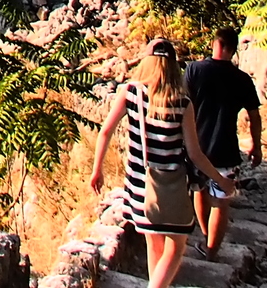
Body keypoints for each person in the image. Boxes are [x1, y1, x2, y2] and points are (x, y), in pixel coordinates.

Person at [88, 38, 225, 288]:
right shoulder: (182, 103)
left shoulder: (130, 92)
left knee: (154, 245)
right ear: (174, 66)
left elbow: (105, 131)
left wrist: (97, 170)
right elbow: (195, 154)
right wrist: (220, 179)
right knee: (175, 247)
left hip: (139, 186)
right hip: (170, 187)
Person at [184, 28, 264, 255]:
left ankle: (206, 236)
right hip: (226, 149)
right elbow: (254, 115)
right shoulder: (242, 79)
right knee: (221, 201)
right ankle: (212, 249)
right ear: (233, 49)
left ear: (214, 44)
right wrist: (256, 145)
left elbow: (182, 103)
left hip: (196, 147)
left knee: (199, 191)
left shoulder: (194, 70)